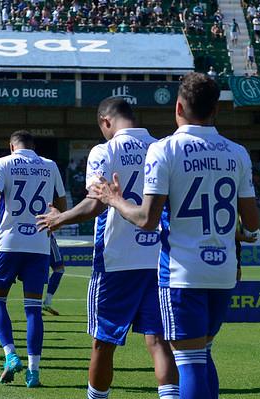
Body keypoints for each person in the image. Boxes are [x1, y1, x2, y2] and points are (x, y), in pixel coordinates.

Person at [88, 72, 260, 399]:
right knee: (202, 354)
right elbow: (252, 225)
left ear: (178, 107)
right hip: (223, 270)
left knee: (191, 361)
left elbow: (147, 220)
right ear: (216, 110)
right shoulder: (237, 152)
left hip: (183, 272)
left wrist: (114, 199)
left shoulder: (165, 149)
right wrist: (236, 234)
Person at [36, 97, 179, 399]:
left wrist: (60, 217)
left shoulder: (105, 150)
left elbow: (95, 204)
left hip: (117, 261)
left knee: (103, 342)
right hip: (158, 260)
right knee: (159, 342)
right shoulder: (160, 147)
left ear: (105, 121)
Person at [0, 130, 66, 388]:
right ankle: (34, 372)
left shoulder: (2, 163)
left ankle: (10, 355)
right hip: (38, 244)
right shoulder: (50, 166)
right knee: (33, 310)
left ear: (11, 146)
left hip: (9, 242)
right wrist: (53, 223)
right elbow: (61, 202)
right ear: (33, 146)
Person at [42, 234, 64, 316]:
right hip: (46, 236)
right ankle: (47, 302)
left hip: (32, 237)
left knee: (37, 271)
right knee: (59, 269)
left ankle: (36, 305)